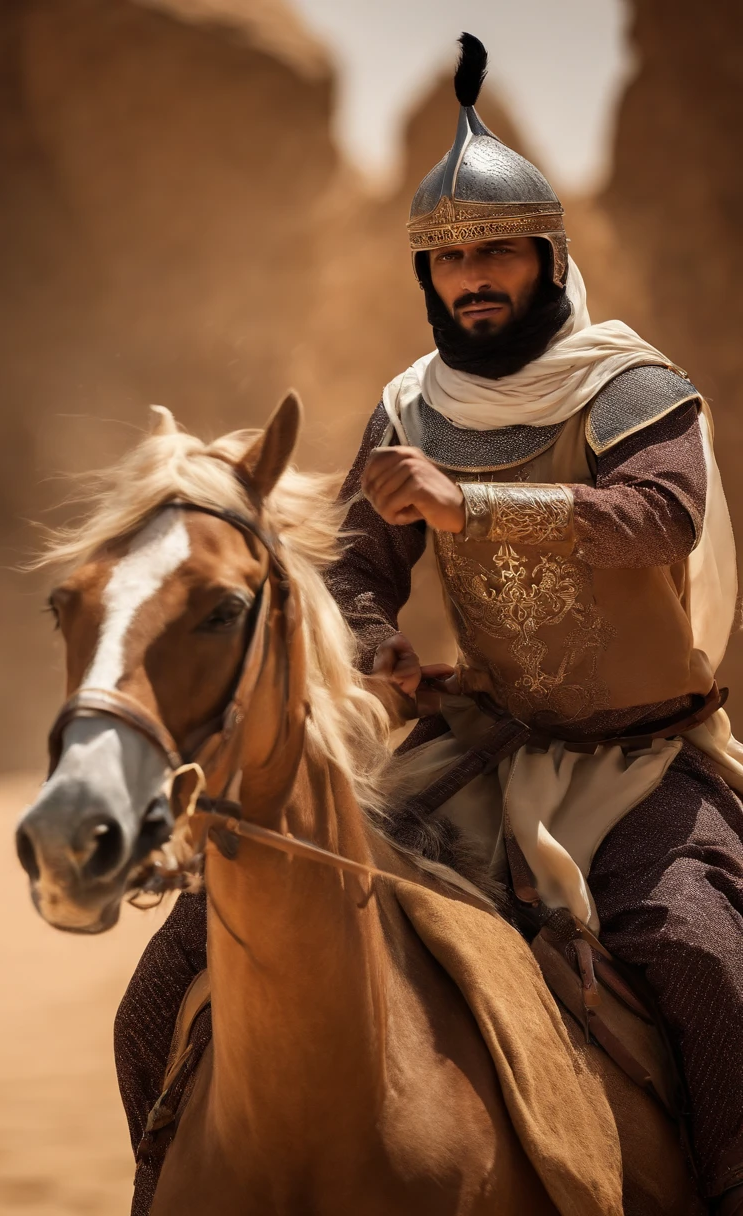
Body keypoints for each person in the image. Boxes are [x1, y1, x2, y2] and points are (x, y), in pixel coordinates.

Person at [325, 32, 743, 1215]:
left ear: (546, 255)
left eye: (495, 249)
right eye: (447, 260)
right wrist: (376, 649)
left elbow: (656, 516)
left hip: (641, 760)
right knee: (208, 934)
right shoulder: (409, 407)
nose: (471, 278)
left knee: (700, 957)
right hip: (476, 748)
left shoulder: (632, 387)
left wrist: (477, 504)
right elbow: (355, 567)